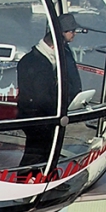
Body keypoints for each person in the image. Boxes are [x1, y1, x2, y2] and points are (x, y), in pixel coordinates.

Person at [15, 12, 82, 171]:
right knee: (37, 152)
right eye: (71, 31)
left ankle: (45, 177)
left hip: (45, 114)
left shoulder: (52, 55)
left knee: (46, 150)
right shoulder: (35, 64)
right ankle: (27, 180)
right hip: (37, 116)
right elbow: (41, 97)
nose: (74, 34)